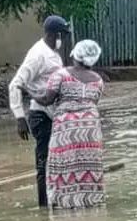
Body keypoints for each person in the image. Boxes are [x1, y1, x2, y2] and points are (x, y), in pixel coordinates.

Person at [32, 40, 105, 210]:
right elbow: (94, 101)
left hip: (66, 130)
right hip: (90, 130)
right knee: (88, 166)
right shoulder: (99, 80)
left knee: (62, 167)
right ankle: (89, 203)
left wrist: (29, 91)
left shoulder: (61, 75)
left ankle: (62, 204)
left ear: (76, 56)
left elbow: (46, 99)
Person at [9, 15, 70, 208]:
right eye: (62, 35)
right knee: (44, 164)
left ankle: (57, 201)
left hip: (53, 115)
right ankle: (45, 207)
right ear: (54, 34)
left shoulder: (53, 54)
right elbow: (15, 84)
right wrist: (19, 116)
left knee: (58, 162)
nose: (63, 39)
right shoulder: (38, 55)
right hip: (40, 115)